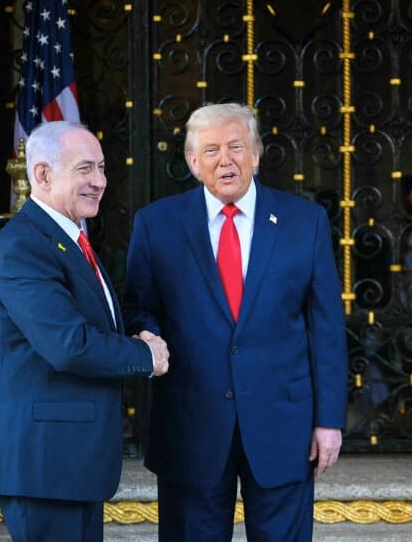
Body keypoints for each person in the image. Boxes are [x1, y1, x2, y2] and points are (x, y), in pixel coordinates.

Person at [124, 102, 348, 541]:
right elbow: (137, 307)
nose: (225, 160)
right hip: (190, 424)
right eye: (210, 150)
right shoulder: (156, 225)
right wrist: (147, 335)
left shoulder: (307, 223)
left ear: (257, 154)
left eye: (236, 147)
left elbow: (326, 328)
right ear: (192, 162)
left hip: (284, 425)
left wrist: (329, 421)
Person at [0, 120, 170, 542]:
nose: (100, 181)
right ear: (42, 174)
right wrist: (145, 356)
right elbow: (68, 345)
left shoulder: (68, 238)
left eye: (101, 168)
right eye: (85, 169)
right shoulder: (22, 246)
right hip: (43, 465)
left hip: (70, 461)